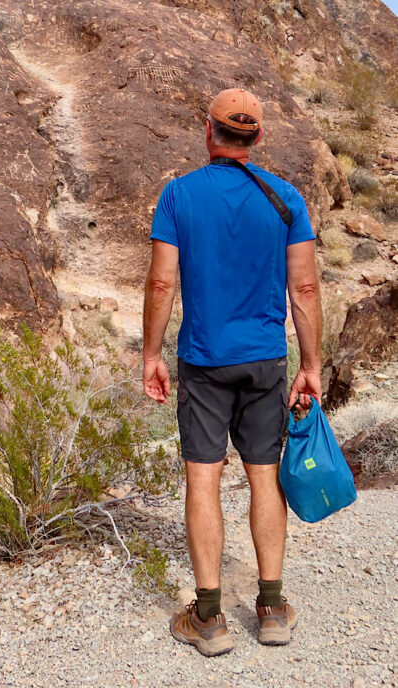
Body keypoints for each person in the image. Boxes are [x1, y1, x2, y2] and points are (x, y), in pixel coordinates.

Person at [142, 88, 322, 657]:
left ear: (207, 130)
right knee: (264, 477)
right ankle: (271, 608)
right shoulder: (285, 197)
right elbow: (307, 287)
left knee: (203, 480)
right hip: (266, 362)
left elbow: (162, 283)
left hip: (203, 361)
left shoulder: (179, 195)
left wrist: (151, 354)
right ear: (258, 137)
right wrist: (312, 365)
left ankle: (211, 618)